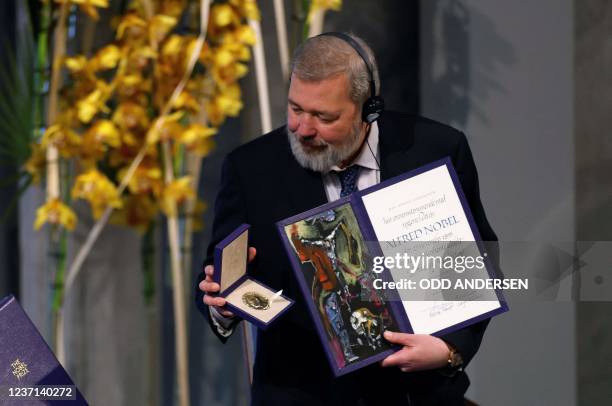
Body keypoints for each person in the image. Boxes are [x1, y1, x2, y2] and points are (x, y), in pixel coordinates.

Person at [196, 32, 498, 405]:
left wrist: (449, 348)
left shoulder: (437, 149)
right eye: (295, 109)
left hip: (416, 395)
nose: (303, 129)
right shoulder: (251, 168)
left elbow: (474, 264)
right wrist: (220, 300)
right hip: (301, 395)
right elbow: (217, 272)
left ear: (368, 109)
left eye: (324, 116)